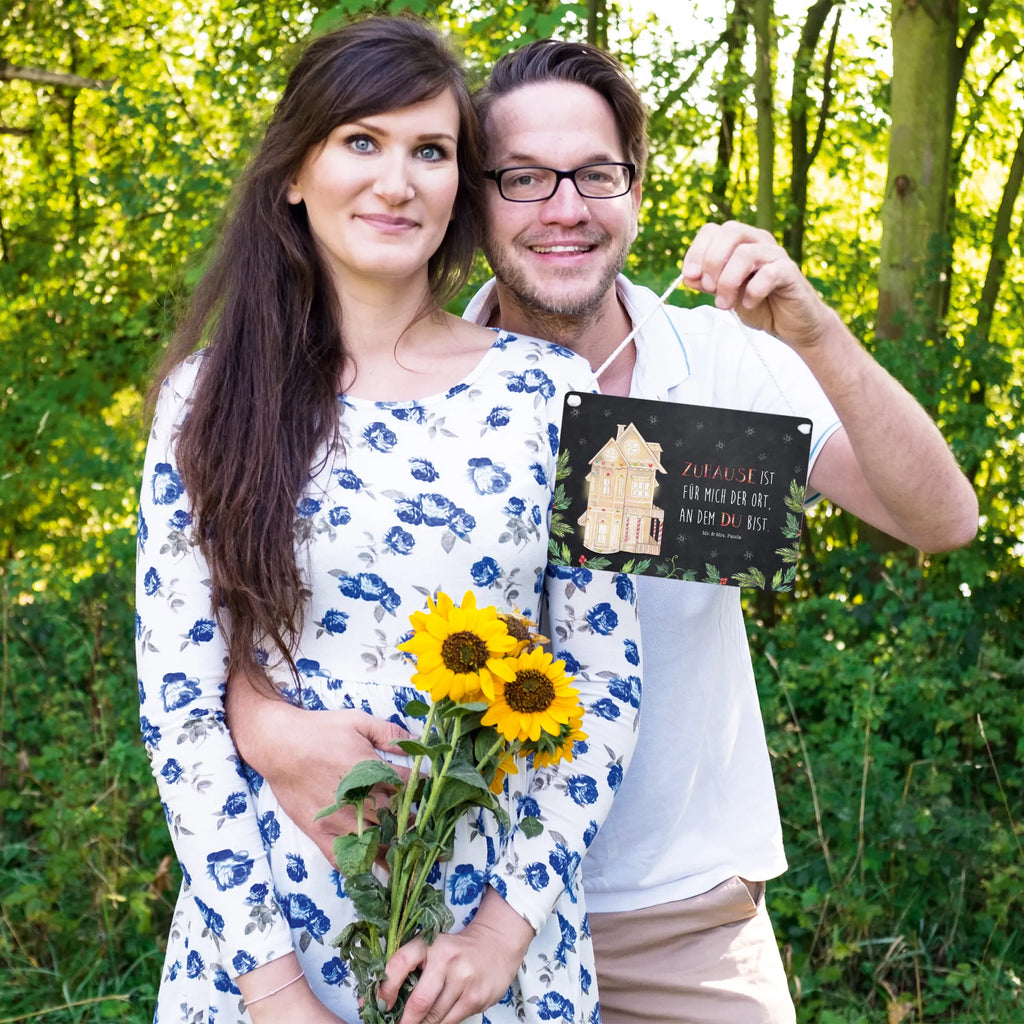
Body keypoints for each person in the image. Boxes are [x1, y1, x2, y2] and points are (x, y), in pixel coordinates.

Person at [226, 36, 979, 1024]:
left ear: (636, 186)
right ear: (473, 197)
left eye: (595, 174)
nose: (565, 208)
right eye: (525, 178)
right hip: (456, 904)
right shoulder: (404, 380)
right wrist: (259, 717)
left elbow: (941, 519)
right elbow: (270, 618)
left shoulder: (720, 356)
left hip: (680, 918)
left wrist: (810, 327)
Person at [135, 19, 641, 1024]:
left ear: (460, 188)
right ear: (295, 172)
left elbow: (608, 681)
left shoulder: (564, 393)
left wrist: (499, 934)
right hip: (267, 939)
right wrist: (276, 993)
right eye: (361, 142)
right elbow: (178, 707)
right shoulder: (205, 399)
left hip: (488, 948)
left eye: (432, 151)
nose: (397, 182)